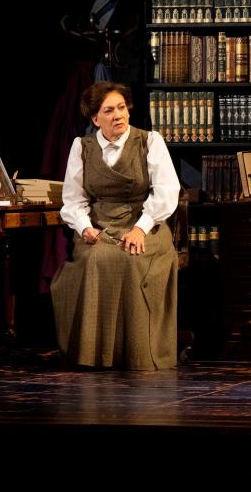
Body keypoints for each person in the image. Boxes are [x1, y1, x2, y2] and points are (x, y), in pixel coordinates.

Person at [52, 82, 180, 370]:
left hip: (145, 223)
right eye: (109, 110)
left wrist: (140, 228)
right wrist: (84, 227)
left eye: (121, 107)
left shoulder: (149, 141)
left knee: (132, 259)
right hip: (99, 226)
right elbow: (73, 199)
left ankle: (137, 353)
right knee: (95, 259)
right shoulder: (82, 147)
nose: (118, 115)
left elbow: (166, 192)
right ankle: (94, 354)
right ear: (95, 119)